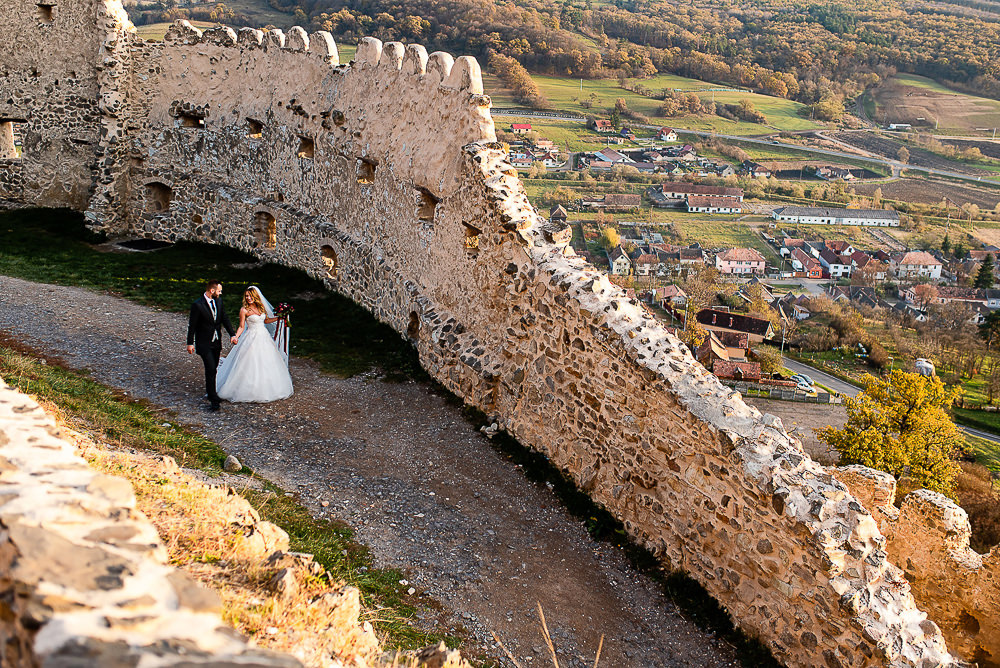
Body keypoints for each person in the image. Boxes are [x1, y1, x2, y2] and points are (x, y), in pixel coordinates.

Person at [216, 286, 293, 403]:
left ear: (255, 296)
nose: (248, 298)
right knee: (249, 362)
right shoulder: (244, 310)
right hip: (251, 338)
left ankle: (268, 388)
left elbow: (266, 320)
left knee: (267, 362)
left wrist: (279, 318)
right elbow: (242, 326)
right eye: (247, 296)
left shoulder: (261, 308)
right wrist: (236, 337)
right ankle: (246, 389)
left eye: (250, 296)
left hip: (264, 337)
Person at [187, 280, 237, 411]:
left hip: (216, 342)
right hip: (204, 343)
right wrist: (190, 343)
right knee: (210, 369)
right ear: (212, 291)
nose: (221, 293)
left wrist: (232, 334)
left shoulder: (219, 301)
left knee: (214, 368)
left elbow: (224, 318)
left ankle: (212, 392)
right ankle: (213, 399)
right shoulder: (197, 305)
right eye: (219, 291)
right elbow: (192, 325)